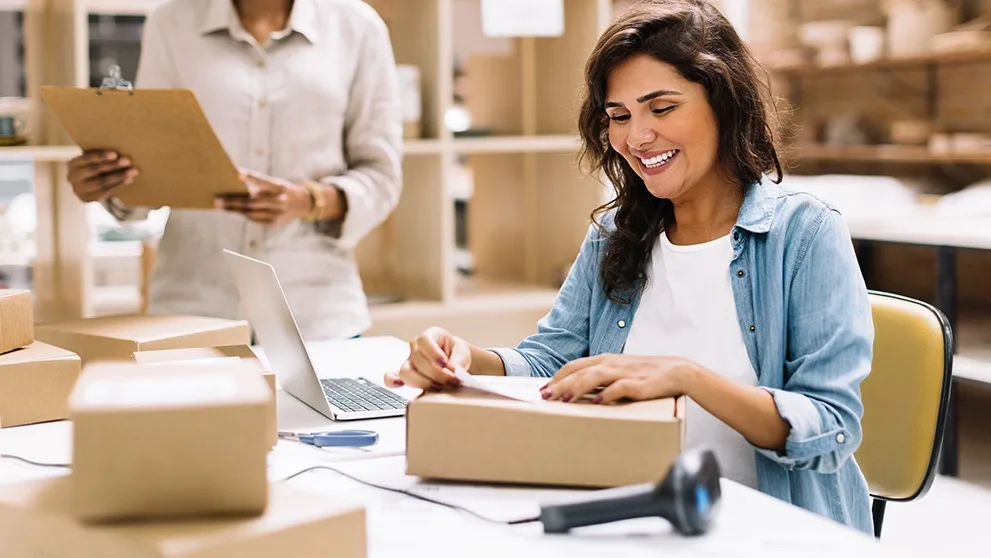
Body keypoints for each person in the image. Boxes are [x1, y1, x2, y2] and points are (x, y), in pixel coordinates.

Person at [385, 0, 874, 534]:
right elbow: (554, 361)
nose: (636, 138)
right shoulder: (616, 234)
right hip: (633, 514)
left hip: (768, 528)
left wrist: (686, 378)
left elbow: (832, 429)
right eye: (619, 116)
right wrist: (466, 360)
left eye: (661, 108)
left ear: (724, 101)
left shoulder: (803, 233)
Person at [64, 0, 402, 341]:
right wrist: (110, 183)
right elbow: (151, 167)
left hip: (317, 317)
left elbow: (382, 177)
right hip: (191, 311)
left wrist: (308, 200)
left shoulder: (358, 27)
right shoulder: (171, 22)